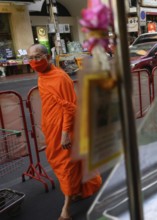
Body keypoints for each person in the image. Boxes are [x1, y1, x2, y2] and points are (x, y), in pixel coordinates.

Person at [27, 44, 102, 220]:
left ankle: (66, 208)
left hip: (65, 129)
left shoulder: (60, 78)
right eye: (30, 58)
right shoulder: (42, 77)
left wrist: (65, 133)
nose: (34, 61)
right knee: (65, 163)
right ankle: (76, 191)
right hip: (51, 128)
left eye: (38, 57)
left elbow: (70, 109)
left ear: (48, 56)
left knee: (66, 166)